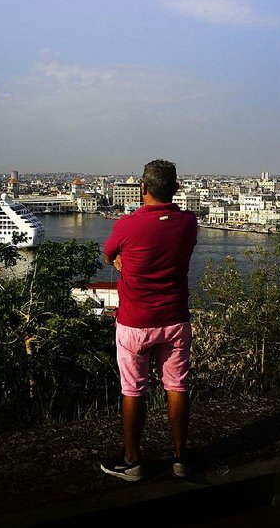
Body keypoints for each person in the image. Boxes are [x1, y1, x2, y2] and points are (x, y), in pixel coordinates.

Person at [100, 159, 198, 482]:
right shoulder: (188, 223)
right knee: (177, 385)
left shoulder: (127, 225)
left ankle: (132, 461)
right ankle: (181, 457)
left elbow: (109, 253)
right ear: (176, 189)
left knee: (133, 390)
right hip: (174, 319)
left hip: (134, 322)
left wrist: (122, 262)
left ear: (142, 188)